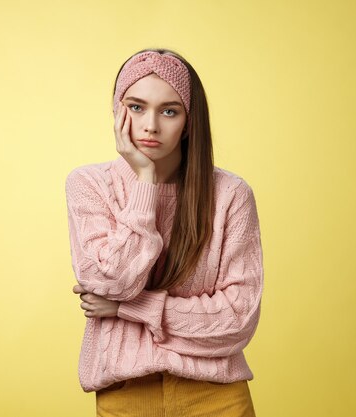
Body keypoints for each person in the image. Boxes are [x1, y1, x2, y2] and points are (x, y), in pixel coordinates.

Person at [64, 47, 263, 417]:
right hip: (128, 394)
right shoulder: (89, 185)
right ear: (116, 110)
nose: (150, 125)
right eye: (136, 107)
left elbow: (236, 319)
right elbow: (111, 281)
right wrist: (145, 180)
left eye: (169, 111)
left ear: (188, 122)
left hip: (216, 395)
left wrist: (131, 308)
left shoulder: (231, 195)